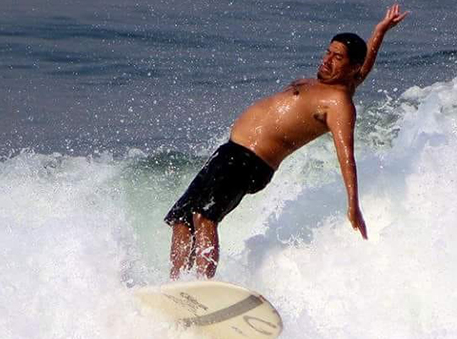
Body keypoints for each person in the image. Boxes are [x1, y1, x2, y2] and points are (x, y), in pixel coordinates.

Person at [165, 4, 409, 280]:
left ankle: (203, 283)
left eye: (337, 57)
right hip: (231, 152)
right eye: (328, 52)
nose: (327, 60)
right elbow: (364, 67)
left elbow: (346, 155)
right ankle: (177, 283)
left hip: (251, 161)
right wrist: (380, 31)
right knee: (182, 218)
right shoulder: (328, 84)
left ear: (351, 67)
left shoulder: (338, 103)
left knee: (205, 216)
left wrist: (353, 203)